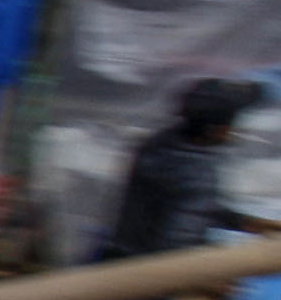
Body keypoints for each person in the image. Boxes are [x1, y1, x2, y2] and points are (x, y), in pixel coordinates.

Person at [102, 76, 268, 262]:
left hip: (122, 254)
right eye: (233, 123)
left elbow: (194, 207)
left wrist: (251, 224)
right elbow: (175, 246)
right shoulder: (194, 172)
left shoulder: (162, 144)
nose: (236, 131)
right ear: (217, 130)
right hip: (150, 270)